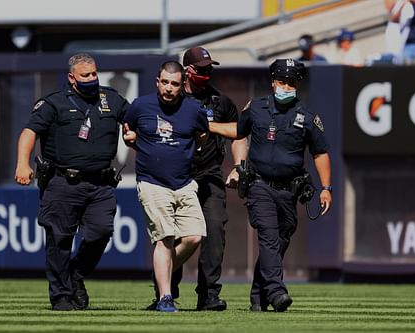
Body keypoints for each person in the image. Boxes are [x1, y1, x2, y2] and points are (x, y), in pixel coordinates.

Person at [209, 58, 332, 312]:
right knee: (268, 237)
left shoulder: (307, 117)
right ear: (273, 81)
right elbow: (238, 132)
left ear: (298, 84)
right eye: (282, 81)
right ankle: (276, 291)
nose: (286, 87)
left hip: (289, 190)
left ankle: (258, 293)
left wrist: (326, 188)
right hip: (259, 185)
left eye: (291, 82)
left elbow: (320, 153)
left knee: (281, 239)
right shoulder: (255, 107)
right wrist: (208, 126)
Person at [14, 53, 132, 311]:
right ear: (72, 78)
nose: (92, 79)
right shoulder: (53, 103)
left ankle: (75, 275)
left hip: (100, 184)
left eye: (94, 74)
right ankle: (61, 296)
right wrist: (22, 164)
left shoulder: (110, 99)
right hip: (62, 182)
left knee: (101, 232)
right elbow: (28, 132)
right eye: (85, 75)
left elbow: (133, 118)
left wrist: (131, 130)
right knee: (59, 240)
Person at [145, 46, 247, 311]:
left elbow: (238, 134)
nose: (207, 73)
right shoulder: (170, 98)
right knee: (173, 236)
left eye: (209, 68)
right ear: (187, 71)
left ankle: (209, 294)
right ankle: (166, 289)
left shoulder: (220, 101)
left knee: (214, 231)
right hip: (175, 176)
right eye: (202, 69)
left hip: (209, 175)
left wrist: (238, 165)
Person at [123, 60, 209, 312]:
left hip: (184, 183)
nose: (169, 88)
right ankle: (165, 298)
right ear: (157, 82)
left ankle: (162, 272)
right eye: (165, 82)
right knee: (165, 238)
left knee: (194, 237)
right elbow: (127, 130)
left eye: (174, 83)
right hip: (152, 182)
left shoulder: (194, 110)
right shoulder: (140, 106)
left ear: (183, 85)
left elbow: (202, 135)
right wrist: (130, 139)